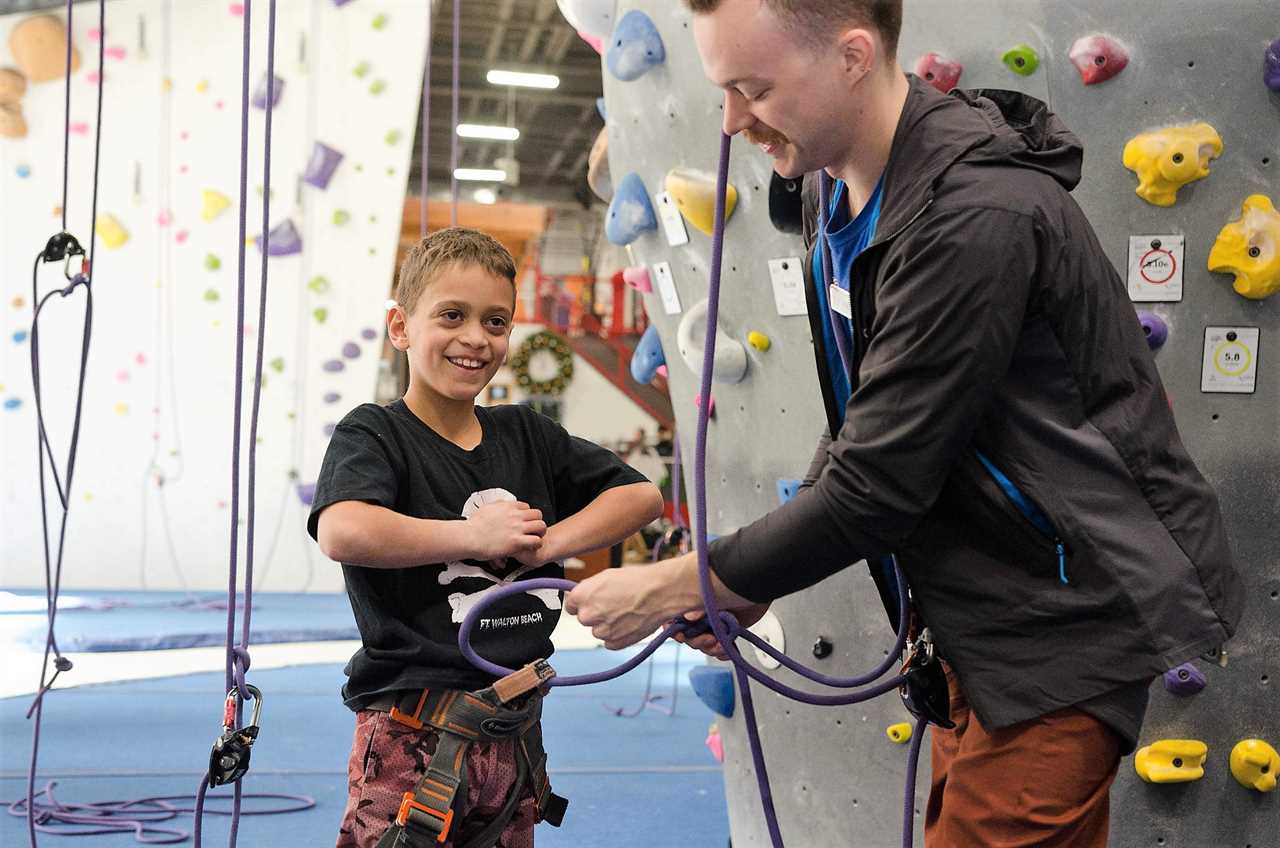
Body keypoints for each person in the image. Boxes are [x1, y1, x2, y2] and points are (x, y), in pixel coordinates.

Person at [563, 1, 1245, 846]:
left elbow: (876, 487)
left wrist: (683, 583)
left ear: (853, 56)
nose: (733, 123)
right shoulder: (836, 199)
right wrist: (748, 580)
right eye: (724, 92)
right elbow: (865, 420)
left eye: (754, 89)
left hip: (1066, 624)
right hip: (978, 625)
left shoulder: (973, 216)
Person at [310, 227, 664, 848]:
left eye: (496, 322)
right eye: (452, 315)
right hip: (410, 732)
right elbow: (344, 529)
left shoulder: (526, 433)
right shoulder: (375, 434)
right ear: (401, 327)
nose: (476, 338)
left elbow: (640, 496)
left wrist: (548, 544)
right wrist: (474, 535)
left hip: (512, 728)